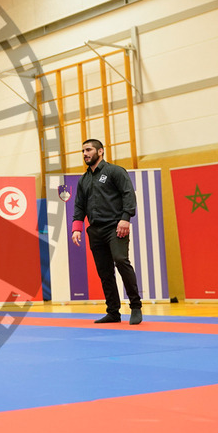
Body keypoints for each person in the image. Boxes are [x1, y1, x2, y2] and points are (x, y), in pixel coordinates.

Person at [70, 139, 143, 325]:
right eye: (83, 151)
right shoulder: (84, 180)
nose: (85, 153)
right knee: (104, 272)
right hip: (95, 231)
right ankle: (113, 312)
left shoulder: (115, 172)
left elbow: (128, 194)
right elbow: (79, 206)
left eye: (89, 150)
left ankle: (135, 306)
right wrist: (76, 228)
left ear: (100, 151)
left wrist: (126, 218)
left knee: (121, 260)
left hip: (115, 227)